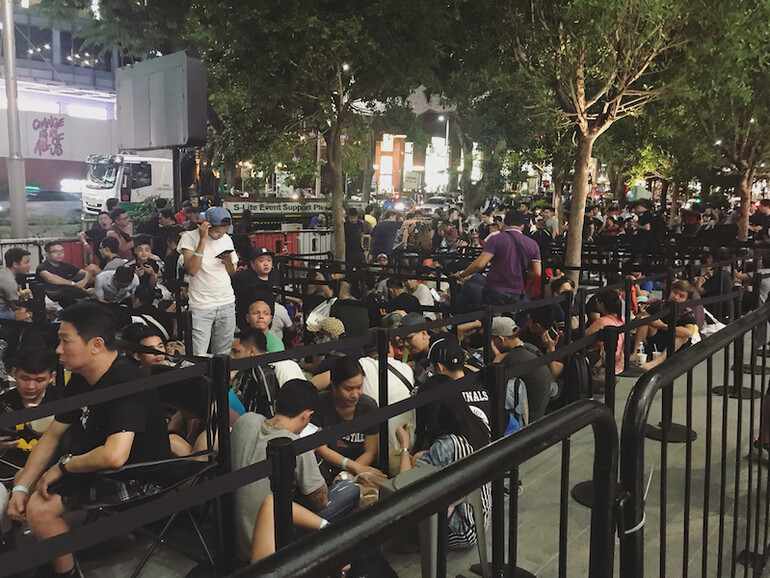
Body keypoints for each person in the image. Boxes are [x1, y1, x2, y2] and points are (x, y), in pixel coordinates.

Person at [7, 302, 171, 577]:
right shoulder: (82, 377)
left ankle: (66, 572)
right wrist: (22, 487)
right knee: (24, 481)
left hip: (138, 475)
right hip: (98, 464)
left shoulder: (126, 381)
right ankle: (62, 547)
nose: (58, 349)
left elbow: (114, 456)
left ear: (96, 344)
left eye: (65, 341)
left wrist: (61, 467)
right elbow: (53, 435)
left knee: (40, 508)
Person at [231, 379, 359, 562]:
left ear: (276, 404)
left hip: (236, 537)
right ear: (307, 416)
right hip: (271, 543)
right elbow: (320, 502)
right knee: (350, 489)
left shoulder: (245, 420)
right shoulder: (295, 443)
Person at [395, 374, 491, 549]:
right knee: (419, 461)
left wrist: (404, 446)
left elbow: (405, 485)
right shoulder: (476, 424)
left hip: (463, 530)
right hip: (480, 515)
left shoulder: (446, 446)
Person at [454, 211, 542, 316]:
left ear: (504, 224)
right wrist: (522, 274)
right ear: (522, 226)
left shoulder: (495, 239)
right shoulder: (532, 244)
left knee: (492, 324)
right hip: (516, 290)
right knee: (509, 326)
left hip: (494, 289)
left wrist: (462, 274)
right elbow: (537, 272)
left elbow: (479, 264)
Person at [178, 207, 238, 356]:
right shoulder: (189, 237)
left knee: (224, 353)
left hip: (226, 300)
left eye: (224, 231)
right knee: (199, 353)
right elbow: (192, 270)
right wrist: (203, 239)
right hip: (202, 305)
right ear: (207, 225)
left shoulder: (226, 239)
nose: (220, 235)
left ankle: (221, 379)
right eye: (218, 232)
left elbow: (231, 272)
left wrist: (228, 261)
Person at [311, 356, 381, 483]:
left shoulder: (368, 407)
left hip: (359, 469)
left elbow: (371, 452)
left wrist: (347, 473)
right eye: (348, 389)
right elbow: (320, 447)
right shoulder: (319, 404)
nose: (355, 394)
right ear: (333, 386)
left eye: (359, 387)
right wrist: (352, 467)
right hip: (326, 469)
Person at [0, 349, 61, 477]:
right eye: (25, 378)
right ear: (14, 373)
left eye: (39, 380)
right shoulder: (4, 402)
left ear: (52, 377)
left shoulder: (63, 401)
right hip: (9, 467)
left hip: (50, 471)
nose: (31, 386)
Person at [230, 327, 304, 417]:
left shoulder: (284, 366)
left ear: (251, 351)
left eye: (236, 352)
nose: (232, 356)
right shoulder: (245, 371)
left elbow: (298, 406)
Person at [490, 317, 553, 422]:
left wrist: (496, 361)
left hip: (528, 420)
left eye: (493, 340)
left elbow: (491, 384)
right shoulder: (530, 348)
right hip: (540, 412)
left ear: (501, 339)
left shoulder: (511, 360)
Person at [632, 280, 699, 371]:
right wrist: (642, 317)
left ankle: (657, 362)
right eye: (674, 292)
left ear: (686, 300)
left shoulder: (687, 312)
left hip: (676, 346)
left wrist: (663, 326)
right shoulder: (659, 304)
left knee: (682, 336)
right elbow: (641, 317)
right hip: (658, 341)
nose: (676, 297)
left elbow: (689, 333)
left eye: (681, 296)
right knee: (647, 321)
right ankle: (636, 353)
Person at [231, 247, 279, 326]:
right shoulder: (242, 277)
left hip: (267, 323)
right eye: (261, 260)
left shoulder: (275, 276)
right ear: (252, 263)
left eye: (269, 260)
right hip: (245, 323)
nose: (266, 264)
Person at [584, 290, 625, 375]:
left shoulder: (602, 322)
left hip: (606, 360)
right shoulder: (622, 318)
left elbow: (584, 336)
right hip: (620, 359)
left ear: (601, 305)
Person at [0, 248, 30, 318]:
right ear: (15, 264)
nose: (29, 265)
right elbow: (14, 305)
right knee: (25, 314)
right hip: (2, 312)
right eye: (26, 263)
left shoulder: (3, 271)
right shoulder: (9, 281)